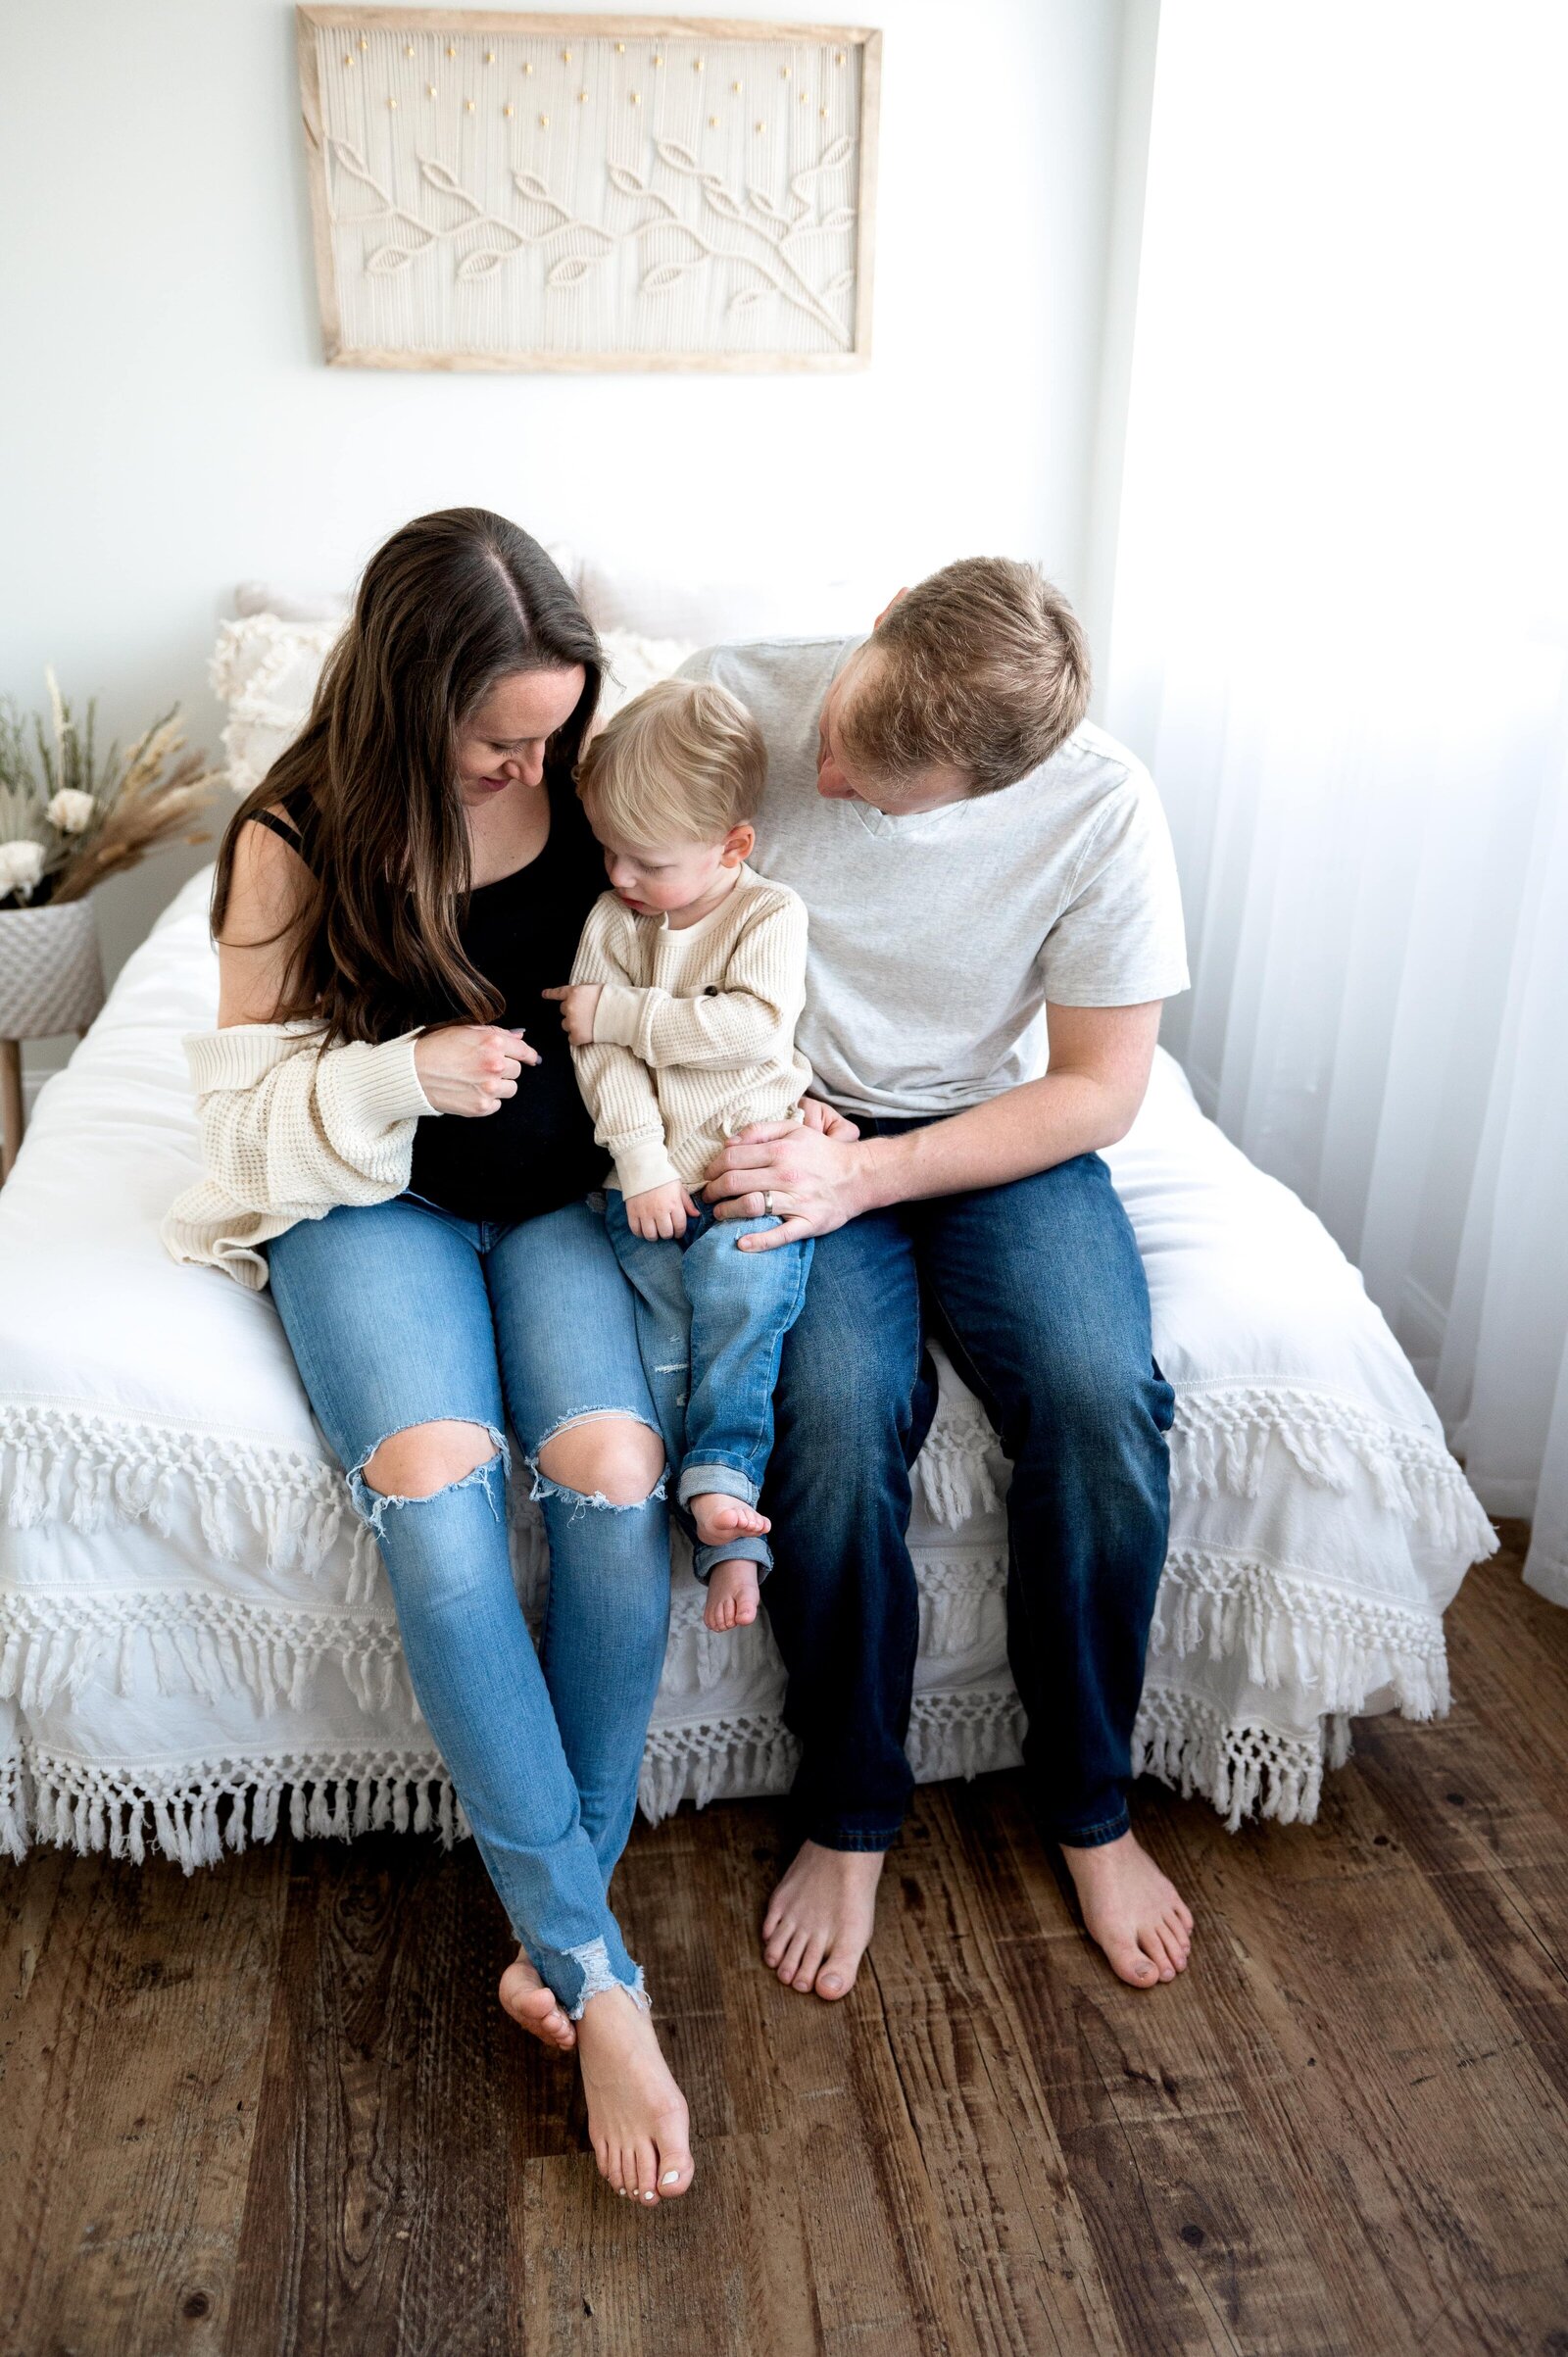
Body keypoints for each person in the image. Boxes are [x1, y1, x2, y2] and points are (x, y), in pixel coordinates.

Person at [162, 509, 694, 2206]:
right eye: (495, 739)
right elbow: (243, 1124)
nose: (530, 762)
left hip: (551, 1205)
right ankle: (601, 1982)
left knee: (615, 1476)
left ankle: (562, 1932)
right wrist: (398, 1077)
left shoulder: (594, 775)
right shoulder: (294, 834)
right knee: (439, 1482)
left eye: (549, 730)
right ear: (408, 702)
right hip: (364, 1198)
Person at [682, 558, 1198, 1999]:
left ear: (984, 786)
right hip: (790, 1117)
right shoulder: (738, 695)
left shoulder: (1102, 808)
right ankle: (850, 1811)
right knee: (837, 1424)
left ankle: (1091, 1799)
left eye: (877, 782)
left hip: (989, 1130)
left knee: (1101, 1402)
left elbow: (1098, 1090)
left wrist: (877, 1173)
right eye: (838, 730)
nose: (827, 777)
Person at [545, 677, 813, 1634]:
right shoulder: (612, 922)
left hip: (747, 1173)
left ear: (732, 846)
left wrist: (623, 1010)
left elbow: (747, 1030)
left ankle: (729, 1502)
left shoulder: (768, 915)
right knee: (663, 1331)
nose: (619, 873)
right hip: (647, 1182)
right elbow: (600, 1061)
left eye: (646, 860)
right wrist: (642, 1161)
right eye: (606, 849)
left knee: (742, 1308)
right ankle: (698, 1505)